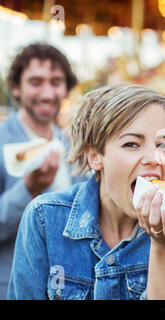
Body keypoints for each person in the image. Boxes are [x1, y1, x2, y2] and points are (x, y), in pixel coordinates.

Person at [8, 84, 165, 300]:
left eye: (163, 144)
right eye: (132, 144)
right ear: (94, 156)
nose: (154, 157)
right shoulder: (44, 218)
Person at [0, 43, 82, 299]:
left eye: (56, 82)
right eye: (36, 82)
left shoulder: (74, 147)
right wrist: (27, 190)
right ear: (16, 87)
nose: (47, 93)